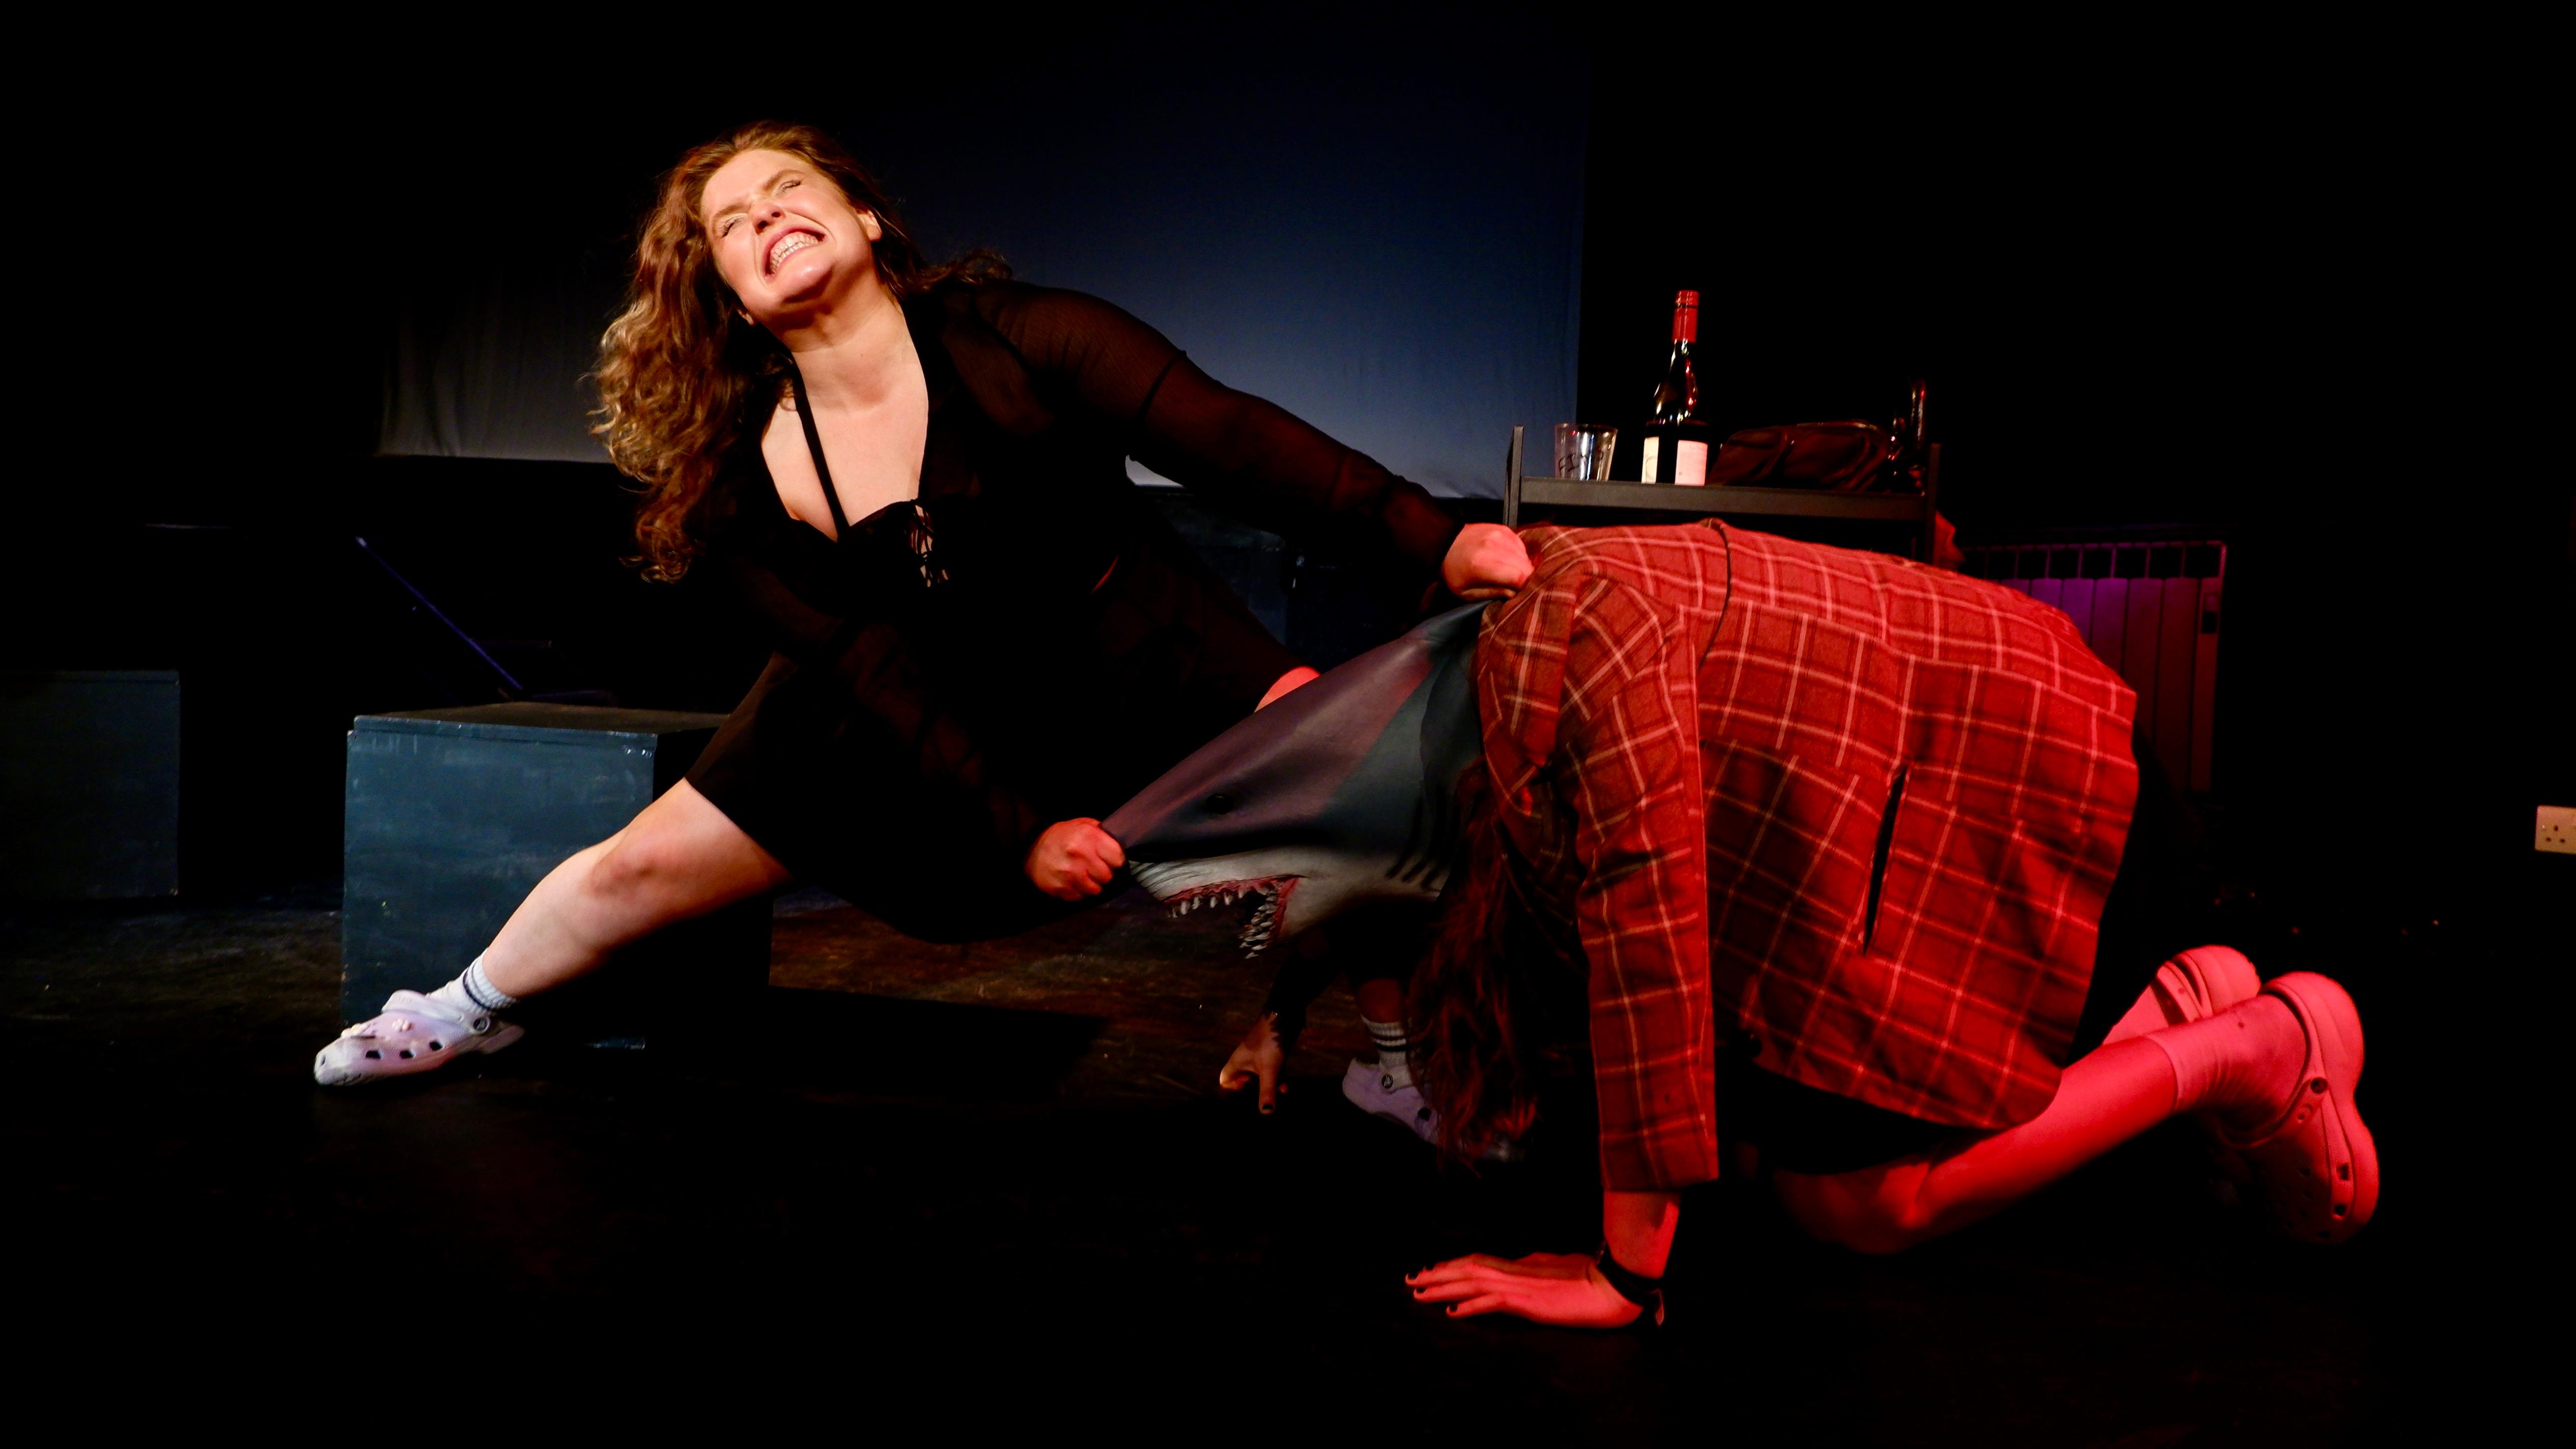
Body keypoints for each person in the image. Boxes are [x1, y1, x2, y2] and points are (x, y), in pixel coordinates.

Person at [314, 120, 1531, 1084]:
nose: (766, 216)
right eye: (733, 223)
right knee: (639, 870)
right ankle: (461, 1009)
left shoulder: (1026, 337)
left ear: (865, 218)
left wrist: (1432, 536)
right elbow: (866, 666)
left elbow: (1235, 443)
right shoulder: (740, 472)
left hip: (1136, 653)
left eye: (787, 190)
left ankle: (1398, 1072)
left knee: (1362, 789)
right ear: (730, 297)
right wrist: (1018, 831)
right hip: (896, 714)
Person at [1394, 520, 2377, 1330]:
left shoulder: (1553, 652)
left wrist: (1621, 1274)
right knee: (1770, 1164)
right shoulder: (1494, 639)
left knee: (1858, 1205)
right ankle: (2175, 1000)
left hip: (2038, 802)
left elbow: (1647, 925)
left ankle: (2251, 1051)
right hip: (1927, 820)